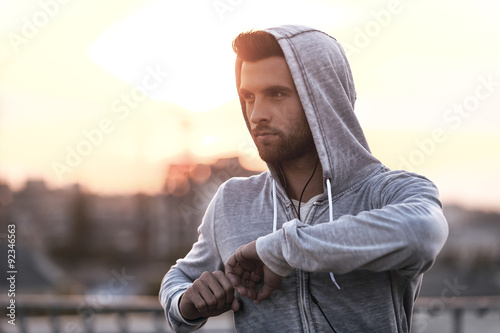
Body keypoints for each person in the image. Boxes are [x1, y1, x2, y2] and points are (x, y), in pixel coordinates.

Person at [159, 25, 449, 333]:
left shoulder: (389, 192)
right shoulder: (233, 201)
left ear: (325, 100)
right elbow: (179, 279)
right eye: (249, 97)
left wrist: (279, 250)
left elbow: (422, 235)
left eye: (277, 94)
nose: (257, 114)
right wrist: (183, 302)